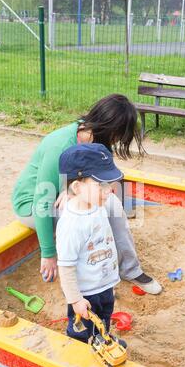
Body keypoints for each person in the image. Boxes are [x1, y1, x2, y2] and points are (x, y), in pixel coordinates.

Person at [12, 93, 162, 294]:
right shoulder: (59, 145)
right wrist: (48, 253)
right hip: (33, 204)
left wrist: (69, 190)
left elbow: (105, 181)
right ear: (107, 128)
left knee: (113, 206)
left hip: (69, 193)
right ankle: (93, 281)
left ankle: (130, 269)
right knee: (85, 213)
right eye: (117, 136)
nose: (117, 141)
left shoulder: (98, 143)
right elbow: (43, 200)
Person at [56, 143, 126, 344]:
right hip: (85, 292)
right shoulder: (72, 224)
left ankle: (101, 339)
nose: (109, 191)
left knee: (104, 316)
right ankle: (80, 349)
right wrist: (76, 299)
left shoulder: (96, 204)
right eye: (101, 186)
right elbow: (66, 267)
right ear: (77, 187)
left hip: (103, 283)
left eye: (110, 184)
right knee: (82, 326)